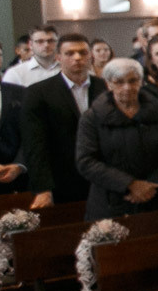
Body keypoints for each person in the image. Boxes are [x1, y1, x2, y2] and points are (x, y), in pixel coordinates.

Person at [74, 57, 158, 221]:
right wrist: (130, 185)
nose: (127, 87)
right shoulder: (92, 117)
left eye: (133, 81)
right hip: (108, 203)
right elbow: (86, 161)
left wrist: (151, 186)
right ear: (108, 84)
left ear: (141, 82)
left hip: (155, 198)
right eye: (119, 82)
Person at [21, 33, 106, 209]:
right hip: (62, 179)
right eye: (69, 53)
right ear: (58, 57)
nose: (77, 58)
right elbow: (35, 144)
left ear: (90, 56)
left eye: (83, 53)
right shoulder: (39, 93)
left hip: (102, 177)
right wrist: (43, 188)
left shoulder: (105, 87)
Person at [0, 38, 29, 195]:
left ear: (1, 59)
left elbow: (30, 133)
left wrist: (20, 164)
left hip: (19, 177)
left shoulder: (21, 92)